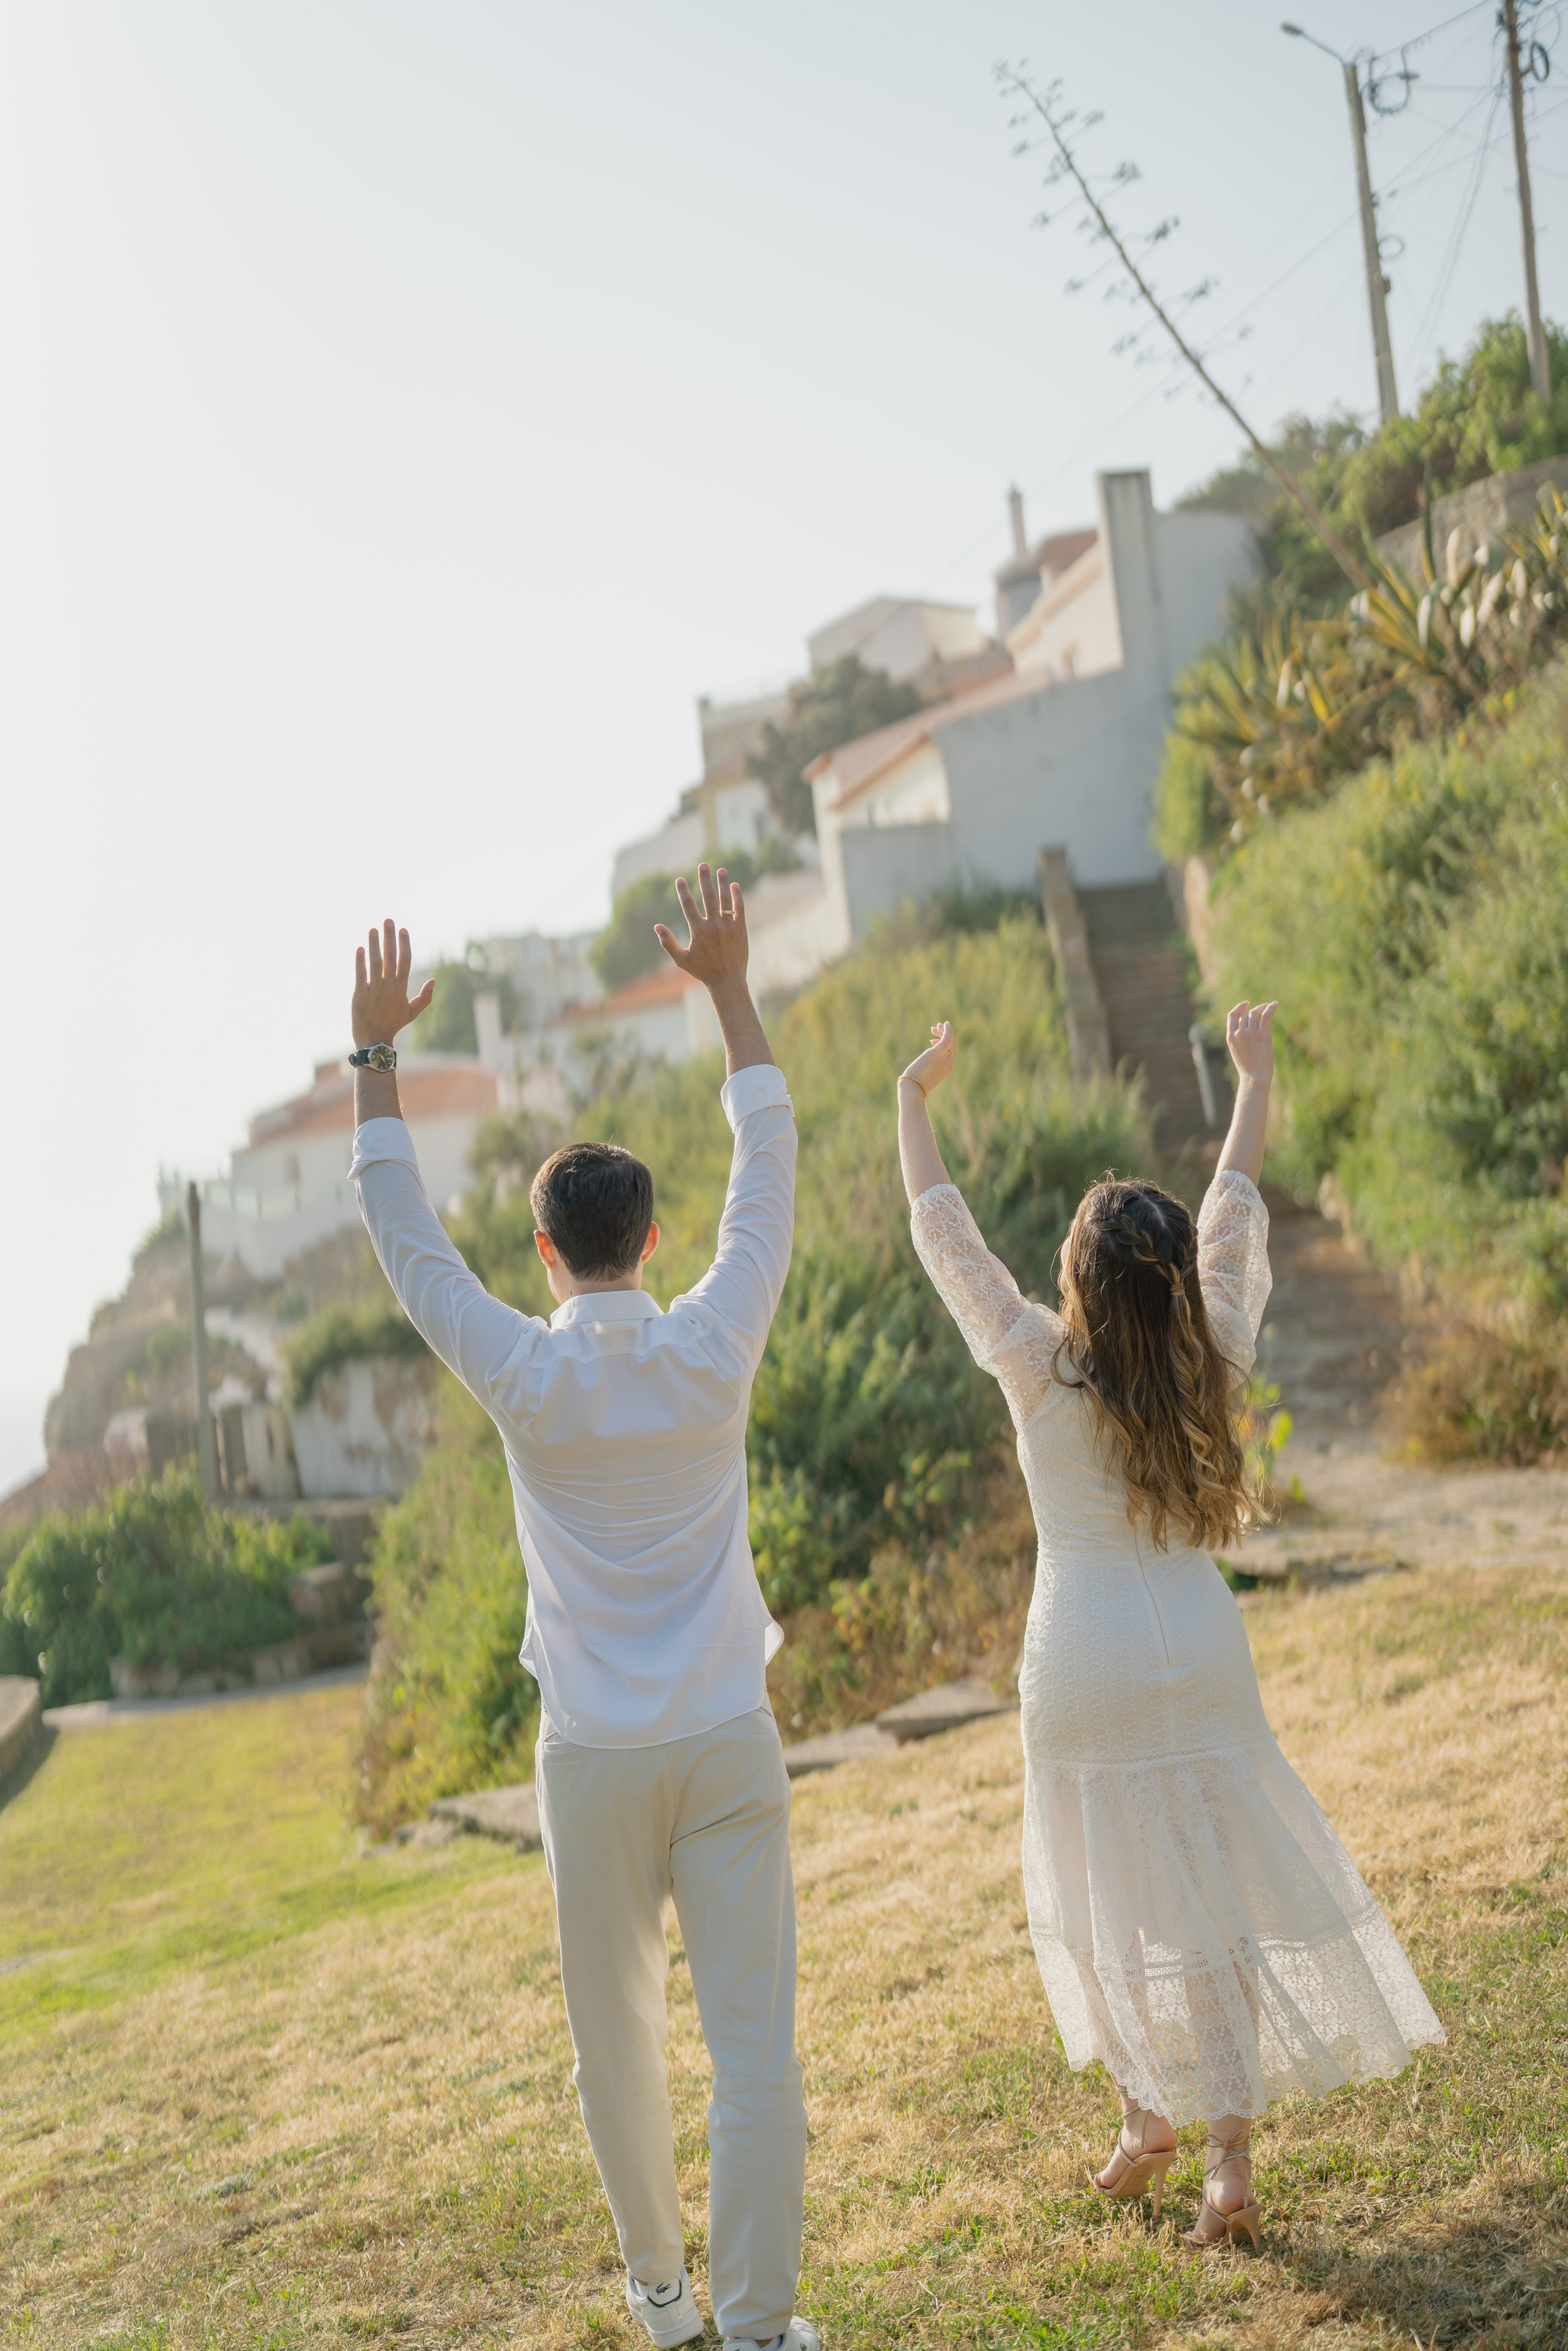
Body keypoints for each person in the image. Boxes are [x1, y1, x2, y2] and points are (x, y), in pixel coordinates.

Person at [347, 870, 819, 2351]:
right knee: (753, 2051)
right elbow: (771, 1163)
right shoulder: (714, 1338)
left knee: (614, 2046)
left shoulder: (523, 1372)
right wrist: (728, 989)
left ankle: (665, 2304)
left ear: (546, 1253)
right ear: (654, 1238)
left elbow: (404, 1235)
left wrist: (375, 1057)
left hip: (595, 1755)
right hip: (726, 1735)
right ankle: (754, 2328)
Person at [895, 1000, 1444, 2249]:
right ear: (1172, 1273)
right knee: (1210, 1900)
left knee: (1099, 1893)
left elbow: (945, 1237)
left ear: (1074, 1282)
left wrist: (911, 1099)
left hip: (1077, 1658)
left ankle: (1143, 2110)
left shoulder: (1037, 1362)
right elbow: (1235, 1197)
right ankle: (1226, 2162)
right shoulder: (1216, 1347)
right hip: (1197, 1647)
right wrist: (1250, 1076)